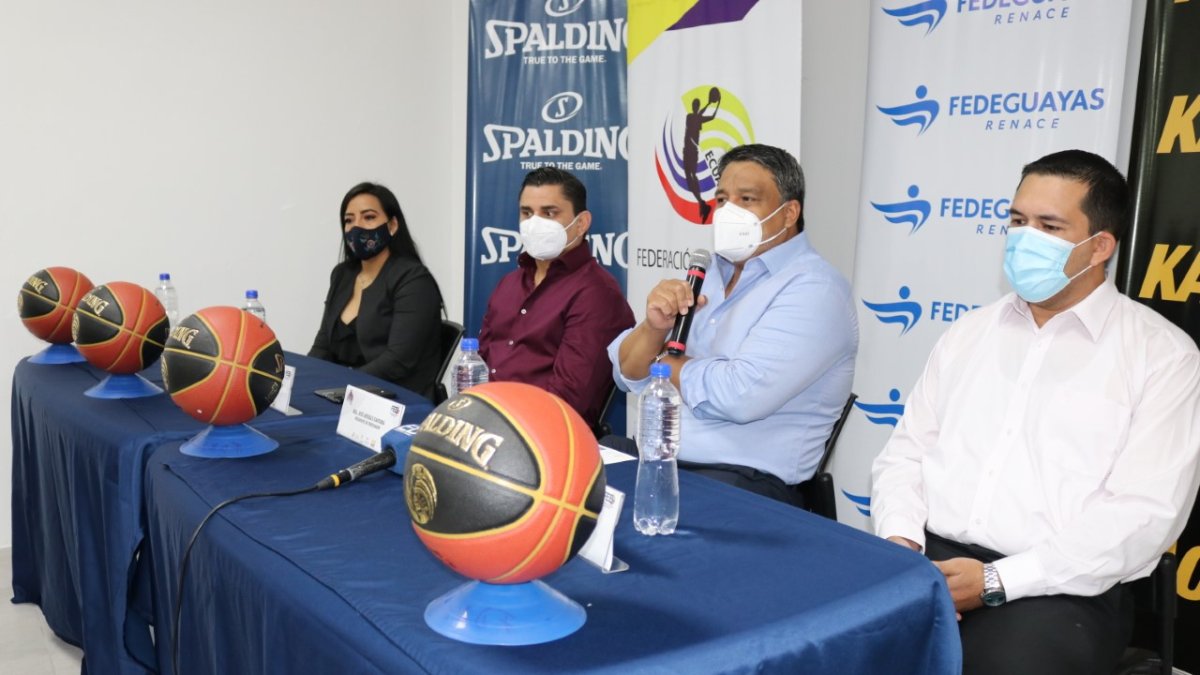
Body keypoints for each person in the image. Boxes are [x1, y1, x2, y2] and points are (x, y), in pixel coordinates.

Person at [871, 149, 1200, 675]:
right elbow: (906, 453)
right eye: (1018, 220)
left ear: (1100, 247)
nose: (1025, 238)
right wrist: (902, 545)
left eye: (1049, 225)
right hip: (926, 558)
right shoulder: (969, 333)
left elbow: (1143, 514)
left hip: (1061, 589)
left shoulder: (1162, 355)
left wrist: (998, 582)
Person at [609, 143, 857, 504]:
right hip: (661, 458)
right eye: (723, 199)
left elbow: (739, 396)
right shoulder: (706, 274)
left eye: (747, 199)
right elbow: (626, 372)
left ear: (789, 213)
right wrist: (654, 329)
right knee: (579, 473)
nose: (728, 212)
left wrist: (663, 362)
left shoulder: (815, 289)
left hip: (745, 480)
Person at [478, 167, 634, 427]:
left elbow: (570, 401)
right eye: (527, 213)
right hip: (488, 420)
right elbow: (480, 364)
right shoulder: (509, 284)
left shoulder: (596, 294)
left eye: (549, 213)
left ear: (582, 223)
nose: (534, 223)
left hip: (541, 436)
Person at [309, 182, 443, 397]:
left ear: (392, 225)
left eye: (369, 217)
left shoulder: (414, 279)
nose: (357, 227)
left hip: (395, 400)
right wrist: (304, 379)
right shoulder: (342, 275)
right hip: (344, 395)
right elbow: (322, 347)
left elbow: (398, 361)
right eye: (349, 220)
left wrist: (343, 387)